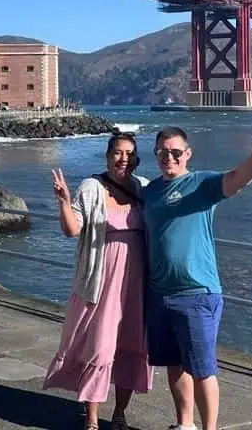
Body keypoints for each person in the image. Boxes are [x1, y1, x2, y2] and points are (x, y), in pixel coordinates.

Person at [144, 115, 252, 430]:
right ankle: (185, 424)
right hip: (159, 293)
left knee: (202, 370)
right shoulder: (150, 191)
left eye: (175, 152)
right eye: (163, 152)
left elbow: (240, 178)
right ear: (156, 154)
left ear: (188, 154)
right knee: (174, 365)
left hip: (197, 294)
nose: (169, 158)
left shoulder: (202, 184)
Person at [43, 132, 153, 430]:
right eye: (117, 152)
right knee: (101, 349)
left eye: (129, 154)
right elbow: (72, 230)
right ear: (107, 156)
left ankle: (119, 414)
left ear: (136, 159)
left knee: (131, 348)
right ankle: (92, 419)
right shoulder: (92, 187)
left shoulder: (144, 188)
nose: (123, 159)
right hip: (102, 283)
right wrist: (64, 202)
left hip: (137, 286)